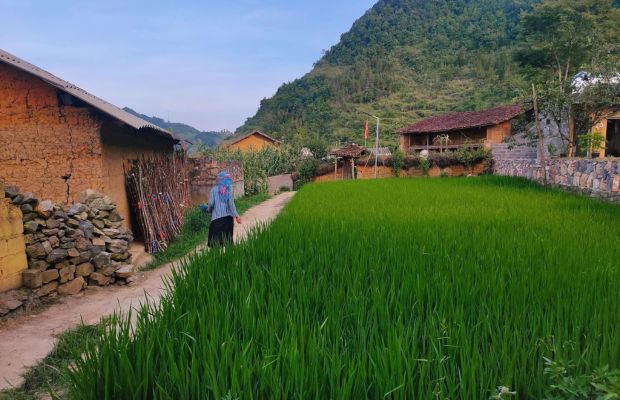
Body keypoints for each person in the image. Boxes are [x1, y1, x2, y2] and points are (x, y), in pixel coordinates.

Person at [200, 171, 242, 247]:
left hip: (216, 220)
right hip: (228, 220)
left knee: (215, 244)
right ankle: (230, 258)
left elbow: (211, 204)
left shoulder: (214, 190)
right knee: (228, 242)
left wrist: (207, 209)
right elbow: (231, 204)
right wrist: (236, 216)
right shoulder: (230, 190)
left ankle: (217, 259)